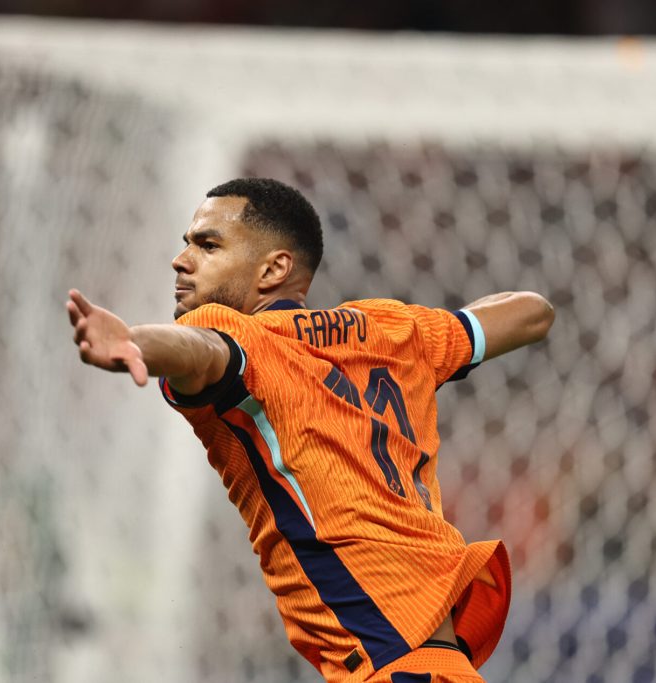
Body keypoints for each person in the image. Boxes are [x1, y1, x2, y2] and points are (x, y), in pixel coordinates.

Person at [67, 178, 554, 683]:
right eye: (186, 243)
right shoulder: (392, 331)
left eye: (208, 245)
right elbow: (533, 312)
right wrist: (453, 325)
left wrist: (135, 342)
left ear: (274, 269)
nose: (181, 259)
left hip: (390, 665)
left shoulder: (243, 337)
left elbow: (200, 349)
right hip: (439, 666)